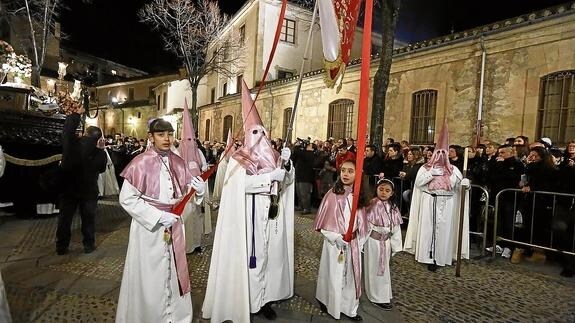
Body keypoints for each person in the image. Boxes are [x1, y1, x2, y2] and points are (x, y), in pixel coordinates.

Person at [202, 81, 295, 322]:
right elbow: (236, 187)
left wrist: (287, 165)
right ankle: (248, 300)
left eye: (262, 132)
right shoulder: (238, 159)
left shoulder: (274, 158)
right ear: (246, 134)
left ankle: (264, 299)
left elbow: (284, 183)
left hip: (270, 217)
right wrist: (267, 178)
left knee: (269, 259)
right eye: (254, 132)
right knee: (251, 261)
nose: (260, 137)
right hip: (247, 218)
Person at [115, 118, 206, 323]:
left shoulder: (178, 162)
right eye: (161, 134)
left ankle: (174, 317)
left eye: (170, 134)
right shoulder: (140, 162)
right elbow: (127, 199)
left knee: (174, 273)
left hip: (173, 224)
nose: (166, 139)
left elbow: (185, 194)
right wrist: (158, 216)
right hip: (149, 230)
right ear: (151, 137)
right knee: (150, 276)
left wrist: (199, 192)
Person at [403, 120, 470, 271]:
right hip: (429, 200)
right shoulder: (425, 168)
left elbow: (459, 186)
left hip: (447, 202)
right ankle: (428, 255)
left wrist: (465, 184)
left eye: (443, 153)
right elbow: (419, 183)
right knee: (428, 229)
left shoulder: (453, 170)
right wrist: (430, 174)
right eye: (437, 152)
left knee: (445, 229)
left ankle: (443, 255)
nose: (440, 156)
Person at [314, 159, 367, 321]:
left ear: (358, 174)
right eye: (343, 170)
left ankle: (349, 308)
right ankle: (328, 301)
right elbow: (323, 223)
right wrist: (337, 238)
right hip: (334, 244)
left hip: (353, 244)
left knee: (350, 276)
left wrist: (358, 240)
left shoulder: (359, 196)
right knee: (332, 273)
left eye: (350, 171)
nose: (345, 174)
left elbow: (363, 222)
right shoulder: (333, 194)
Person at [56, 107, 107, 255]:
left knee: (65, 219)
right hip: (88, 190)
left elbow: (67, 131)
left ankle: (61, 246)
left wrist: (76, 115)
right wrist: (101, 150)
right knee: (88, 219)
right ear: (98, 139)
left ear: (85, 133)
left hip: (69, 188)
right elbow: (102, 169)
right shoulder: (99, 152)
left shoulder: (72, 144)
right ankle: (88, 245)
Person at [364, 179, 403, 310]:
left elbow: (396, 228)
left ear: (392, 193)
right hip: (373, 243)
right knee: (373, 269)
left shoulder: (393, 207)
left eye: (387, 191)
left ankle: (383, 295)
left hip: (385, 243)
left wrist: (395, 246)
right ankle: (375, 296)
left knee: (384, 270)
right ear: (376, 189)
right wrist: (360, 243)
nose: (384, 193)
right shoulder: (371, 205)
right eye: (381, 189)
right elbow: (366, 225)